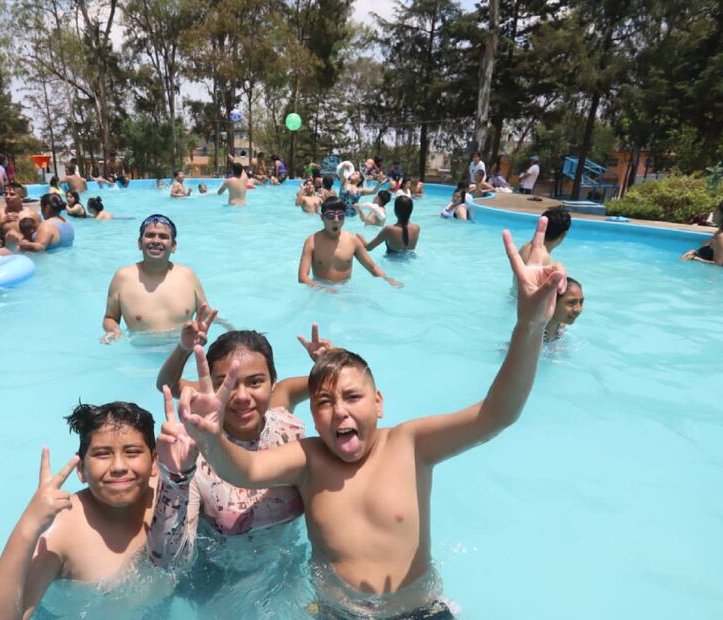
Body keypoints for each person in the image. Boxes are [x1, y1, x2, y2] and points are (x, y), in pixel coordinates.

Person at [176, 215, 567, 618]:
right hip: (336, 613)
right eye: (324, 402)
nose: (340, 410)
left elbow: (498, 414)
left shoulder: (411, 444)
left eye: (352, 396)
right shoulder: (308, 458)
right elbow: (244, 470)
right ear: (313, 415)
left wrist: (530, 324)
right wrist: (211, 437)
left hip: (418, 612)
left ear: (378, 402)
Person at [149, 324, 334, 614]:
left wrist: (330, 359)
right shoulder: (193, 454)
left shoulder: (291, 431)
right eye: (228, 383)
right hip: (223, 584)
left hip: (291, 569)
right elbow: (168, 564)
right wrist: (175, 479)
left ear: (273, 382)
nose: (242, 395)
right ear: (210, 387)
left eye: (255, 382)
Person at [0, 402, 168, 620]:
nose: (119, 467)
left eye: (132, 452)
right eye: (102, 454)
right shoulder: (60, 532)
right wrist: (29, 525)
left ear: (154, 461)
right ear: (81, 470)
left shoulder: (171, 494)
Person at [101, 215, 210, 343]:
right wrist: (113, 330)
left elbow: (207, 315)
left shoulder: (187, 275)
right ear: (139, 243)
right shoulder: (122, 277)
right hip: (141, 352)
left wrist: (228, 328)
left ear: (173, 246)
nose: (156, 240)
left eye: (163, 236)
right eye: (150, 235)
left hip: (183, 350)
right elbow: (110, 318)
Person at [298, 198, 403, 292]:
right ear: (322, 217)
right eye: (330, 216)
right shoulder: (312, 242)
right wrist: (323, 289)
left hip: (345, 291)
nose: (336, 220)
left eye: (340, 216)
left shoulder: (353, 241)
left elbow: (372, 268)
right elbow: (302, 277)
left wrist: (388, 279)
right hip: (320, 291)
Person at [682, 198, 723, 266]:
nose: (713, 212)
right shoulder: (721, 232)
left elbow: (718, 265)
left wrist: (693, 258)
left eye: (717, 210)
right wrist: (695, 252)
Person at [545, 277, 584, 343]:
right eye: (571, 302)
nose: (578, 310)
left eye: (581, 302)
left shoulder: (561, 328)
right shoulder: (531, 333)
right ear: (552, 301)